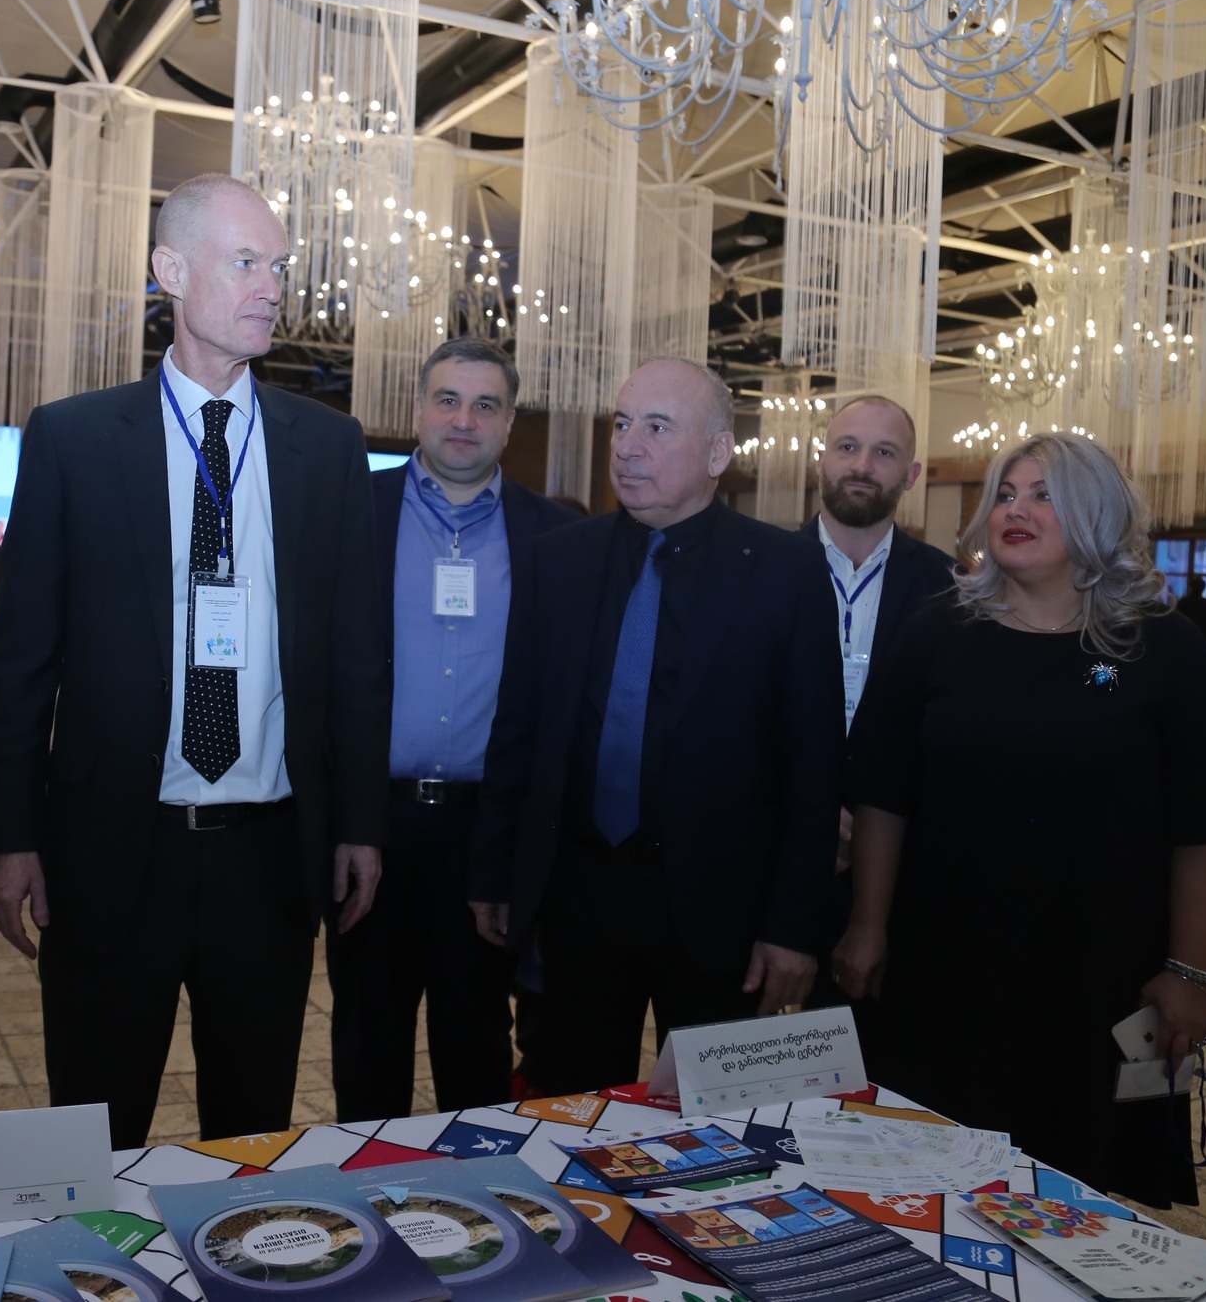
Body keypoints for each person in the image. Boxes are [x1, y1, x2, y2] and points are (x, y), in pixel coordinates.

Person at [0, 172, 389, 1151]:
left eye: (279, 266)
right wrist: (12, 835)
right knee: (94, 1125)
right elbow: (23, 660)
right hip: (113, 847)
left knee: (250, 1131)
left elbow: (356, 656)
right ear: (170, 270)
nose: (272, 287)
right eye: (246, 262)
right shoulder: (74, 439)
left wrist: (360, 822)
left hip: (269, 854)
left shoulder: (327, 447)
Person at [834, 433, 1206, 1210]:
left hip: (1097, 967)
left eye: (1042, 494)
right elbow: (884, 796)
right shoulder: (937, 632)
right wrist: (867, 924)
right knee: (925, 1174)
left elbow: (1204, 825)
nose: (1014, 509)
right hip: (943, 961)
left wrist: (1191, 971)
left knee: (1072, 1189)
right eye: (1004, 493)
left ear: (1096, 512)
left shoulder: (1161, 646)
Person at [469, 357, 845, 1096]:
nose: (627, 446)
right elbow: (518, 729)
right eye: (621, 423)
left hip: (721, 908)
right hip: (578, 894)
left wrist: (793, 926)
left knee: (719, 1127)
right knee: (570, 1108)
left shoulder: (785, 573)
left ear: (717, 452)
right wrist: (495, 870)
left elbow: (814, 768)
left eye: (658, 427)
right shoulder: (558, 561)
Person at [325, 336, 579, 1123]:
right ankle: (365, 1189)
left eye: (485, 405)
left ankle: (477, 1198)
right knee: (367, 1046)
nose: (464, 420)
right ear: (417, 411)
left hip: (488, 833)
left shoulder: (553, 537)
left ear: (509, 423)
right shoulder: (351, 513)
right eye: (448, 400)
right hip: (371, 828)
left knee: (476, 1052)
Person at [800, 395, 956, 1015]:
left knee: (876, 1047)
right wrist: (810, 811)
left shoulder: (952, 590)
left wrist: (876, 822)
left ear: (911, 475)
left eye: (884, 452)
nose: (862, 465)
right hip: (771, 860)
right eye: (847, 447)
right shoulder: (758, 570)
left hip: (901, 873)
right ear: (821, 460)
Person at [1174, 574, 1206, 653]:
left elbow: (1177, 623)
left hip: (1185, 641)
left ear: (1190, 588)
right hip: (1205, 642)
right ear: (1203, 589)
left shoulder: (1183, 603)